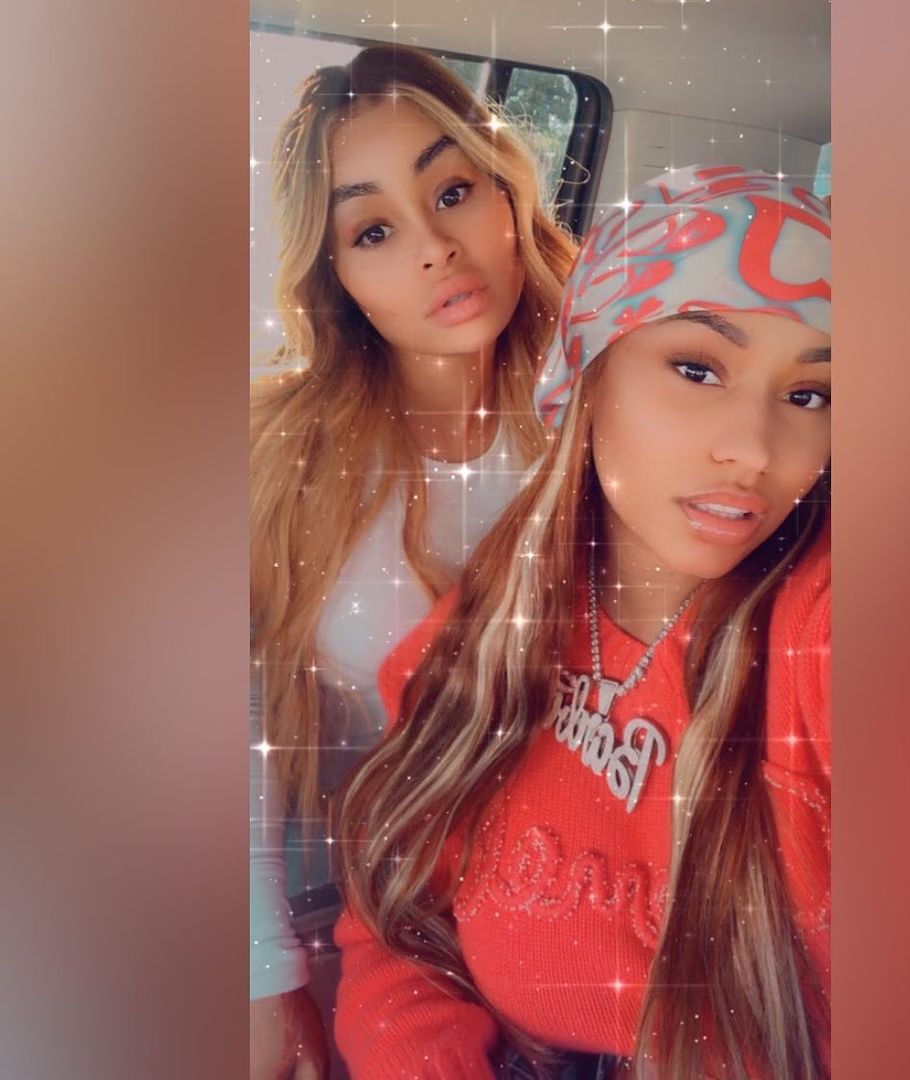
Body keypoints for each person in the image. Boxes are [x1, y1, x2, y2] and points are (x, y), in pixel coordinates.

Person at [332, 165, 833, 1079]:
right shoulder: (478, 632)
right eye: (697, 369)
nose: (755, 450)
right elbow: (396, 923)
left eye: (809, 396)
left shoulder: (815, 625)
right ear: (589, 375)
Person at [249, 44, 577, 1079]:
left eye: (453, 191)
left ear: (506, 194)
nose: (436, 246)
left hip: (583, 921)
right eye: (376, 230)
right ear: (336, 276)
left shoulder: (609, 410)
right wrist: (263, 974)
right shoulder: (276, 458)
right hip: (372, 927)